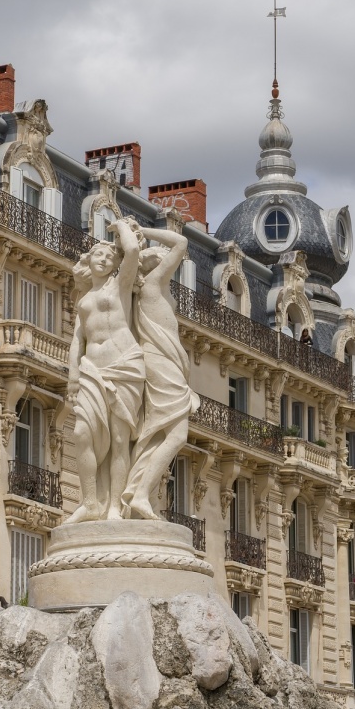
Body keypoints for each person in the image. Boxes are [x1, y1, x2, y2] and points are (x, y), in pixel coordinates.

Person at [65, 219, 144, 523]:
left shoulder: (120, 285)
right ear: (89, 260)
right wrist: (72, 376)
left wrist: (122, 227)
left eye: (110, 257)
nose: (104, 259)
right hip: (91, 370)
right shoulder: (83, 300)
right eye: (98, 254)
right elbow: (77, 340)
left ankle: (114, 506)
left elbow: (134, 250)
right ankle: (89, 502)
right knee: (82, 433)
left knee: (120, 440)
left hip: (124, 365)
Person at [121, 222, 200, 519]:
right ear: (153, 266)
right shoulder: (153, 286)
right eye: (160, 258)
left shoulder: (153, 290)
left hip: (164, 364)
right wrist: (143, 229)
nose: (168, 262)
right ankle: (140, 494)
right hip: (161, 364)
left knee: (155, 435)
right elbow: (180, 243)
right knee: (177, 435)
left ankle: (139, 493)